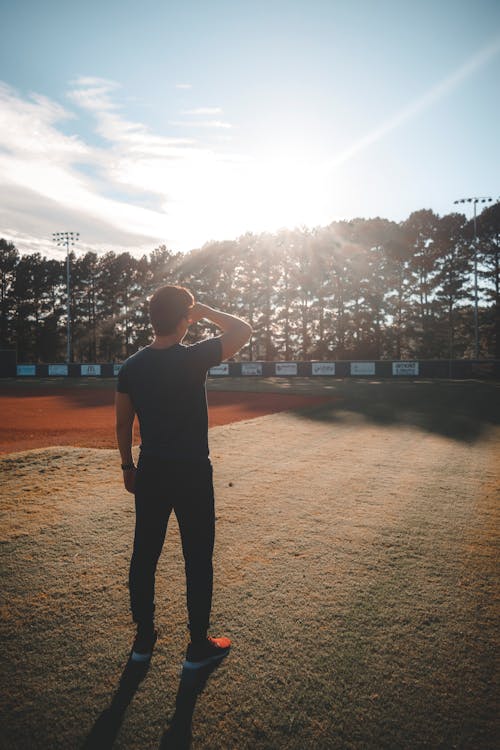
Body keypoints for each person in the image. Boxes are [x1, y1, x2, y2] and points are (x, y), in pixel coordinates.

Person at [115, 285, 251, 669]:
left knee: (145, 554)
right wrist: (206, 310)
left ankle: (143, 640)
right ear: (183, 319)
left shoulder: (132, 366)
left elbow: (123, 422)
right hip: (191, 471)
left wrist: (128, 466)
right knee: (197, 557)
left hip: (152, 470)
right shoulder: (193, 358)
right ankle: (197, 646)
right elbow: (243, 330)